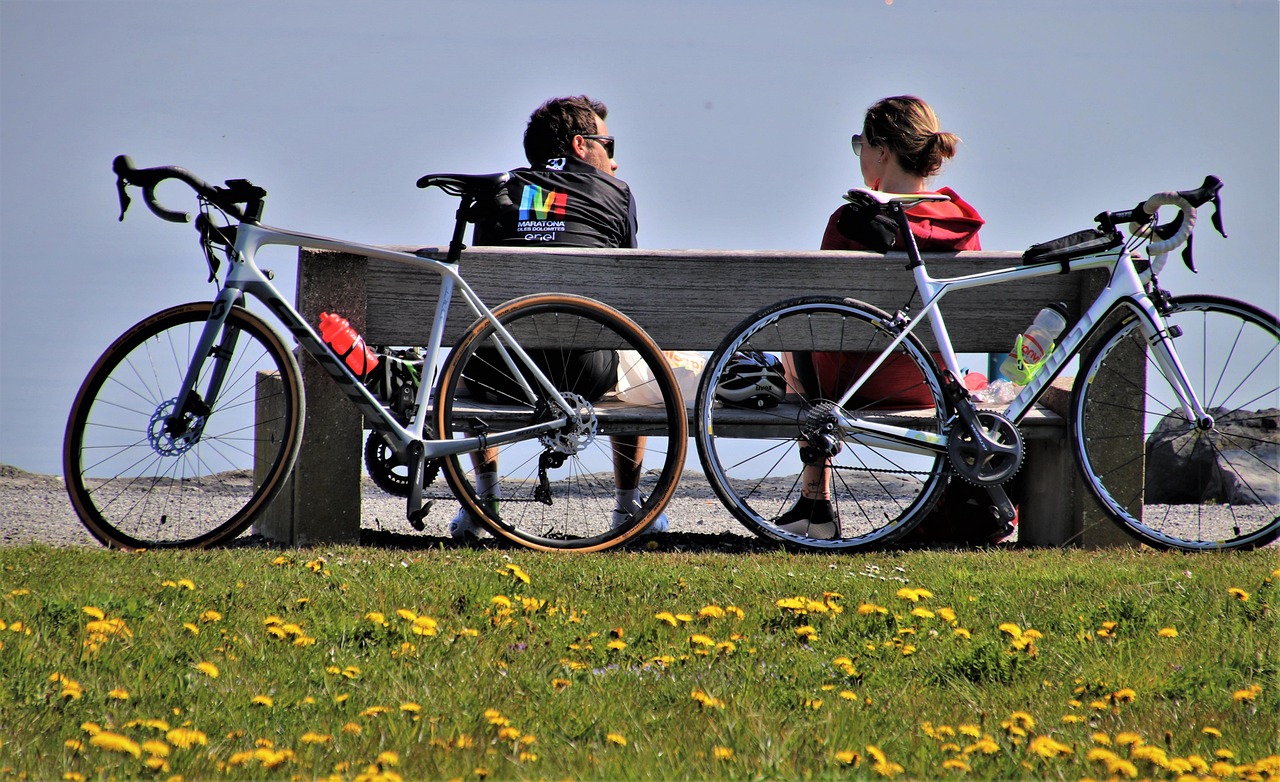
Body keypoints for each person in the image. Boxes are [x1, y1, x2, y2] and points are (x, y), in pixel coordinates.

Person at [777, 95, 1011, 544]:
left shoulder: (851, 220)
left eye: (861, 144)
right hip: (930, 384)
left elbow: (822, 316)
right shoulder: (962, 226)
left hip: (850, 385)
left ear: (882, 152)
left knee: (795, 337)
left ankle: (815, 503)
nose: (860, 154)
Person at [449, 95, 668, 540]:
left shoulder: (496, 192)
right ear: (580, 145)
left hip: (499, 374)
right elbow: (624, 289)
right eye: (608, 143)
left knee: (471, 352)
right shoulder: (617, 192)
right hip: (585, 374)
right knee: (631, 348)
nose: (614, 159)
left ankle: (483, 506)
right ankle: (628, 508)